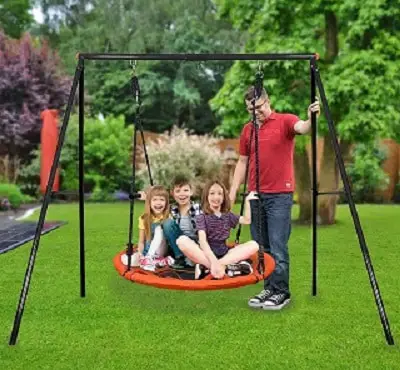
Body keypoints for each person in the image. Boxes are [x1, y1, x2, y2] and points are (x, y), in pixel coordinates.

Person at [229, 86, 320, 310]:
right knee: (261, 246)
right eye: (251, 109)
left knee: (278, 246)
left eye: (258, 107)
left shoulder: (285, 121)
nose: (255, 112)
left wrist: (311, 118)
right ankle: (269, 288)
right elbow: (242, 162)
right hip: (255, 194)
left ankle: (282, 292)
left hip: (279, 194)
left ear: (268, 101)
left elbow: (304, 128)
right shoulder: (247, 130)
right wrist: (232, 192)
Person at [177, 179, 259, 280]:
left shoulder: (227, 216)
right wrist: (213, 261)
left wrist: (247, 201)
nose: (216, 197)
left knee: (254, 245)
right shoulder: (202, 217)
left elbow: (247, 220)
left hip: (225, 255)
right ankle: (225, 267)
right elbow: (202, 241)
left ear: (224, 197)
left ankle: (210, 268)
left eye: (220, 193)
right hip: (206, 255)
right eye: (212, 193)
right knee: (182, 241)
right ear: (206, 196)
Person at [121, 185, 174, 271]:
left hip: (161, 249)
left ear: (166, 203)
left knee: (159, 229)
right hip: (148, 249)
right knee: (127, 260)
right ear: (149, 202)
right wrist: (140, 254)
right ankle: (156, 261)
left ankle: (151, 258)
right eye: (155, 200)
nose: (158, 203)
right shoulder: (143, 218)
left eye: (162, 200)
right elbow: (141, 241)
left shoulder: (168, 217)